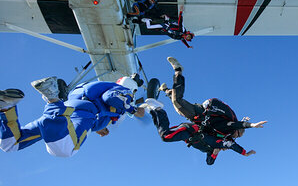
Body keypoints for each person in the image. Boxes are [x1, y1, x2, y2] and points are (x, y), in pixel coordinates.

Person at [0, 75, 144, 157]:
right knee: (66, 149)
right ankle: (51, 96)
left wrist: (99, 127)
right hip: (81, 113)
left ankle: (7, 106)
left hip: (67, 111)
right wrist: (132, 109)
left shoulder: (98, 85)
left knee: (11, 144)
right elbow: (111, 98)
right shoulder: (124, 91)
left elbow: (95, 103)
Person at [159, 57, 267, 138]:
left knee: (178, 105)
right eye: (238, 135)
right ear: (237, 131)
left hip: (197, 117)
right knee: (177, 102)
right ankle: (178, 70)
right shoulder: (230, 126)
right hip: (199, 112)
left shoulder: (225, 133)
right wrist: (252, 125)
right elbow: (237, 124)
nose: (236, 137)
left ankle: (165, 90)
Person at [146, 104, 256, 165]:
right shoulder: (221, 141)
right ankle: (158, 110)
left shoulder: (211, 150)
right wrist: (245, 153)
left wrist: (214, 154)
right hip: (192, 130)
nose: (234, 139)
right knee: (166, 136)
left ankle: (153, 110)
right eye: (236, 136)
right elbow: (232, 145)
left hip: (188, 137)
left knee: (165, 135)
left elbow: (209, 163)